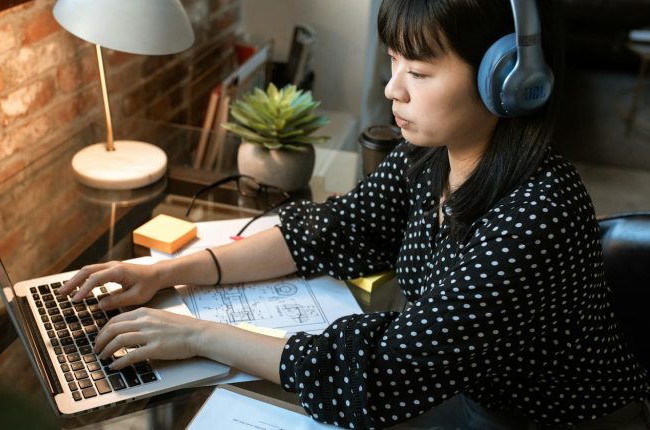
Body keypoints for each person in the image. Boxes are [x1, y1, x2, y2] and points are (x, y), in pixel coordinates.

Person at [59, 0, 650, 428]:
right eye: (393, 62)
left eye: (417, 72)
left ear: (510, 82)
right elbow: (331, 230)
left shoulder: (537, 212)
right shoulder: (430, 157)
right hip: (460, 390)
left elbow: (382, 374)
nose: (393, 90)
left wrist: (195, 334)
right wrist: (172, 272)